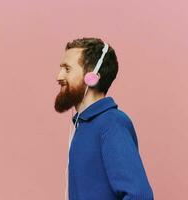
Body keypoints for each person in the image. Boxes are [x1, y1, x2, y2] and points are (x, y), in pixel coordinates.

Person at [54, 37, 154, 200]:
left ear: (91, 76)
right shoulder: (83, 125)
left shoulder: (111, 123)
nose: (58, 76)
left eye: (67, 69)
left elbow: (139, 196)